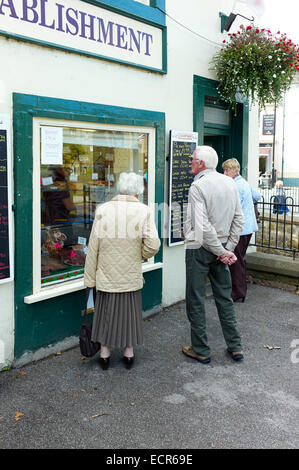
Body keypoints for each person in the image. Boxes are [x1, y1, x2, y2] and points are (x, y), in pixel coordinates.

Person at [84, 172, 160, 370]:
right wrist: (140, 255)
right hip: (130, 273)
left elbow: (93, 246)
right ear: (138, 191)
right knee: (129, 313)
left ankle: (105, 353)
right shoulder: (144, 211)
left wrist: (90, 279)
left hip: (106, 273)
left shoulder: (103, 209)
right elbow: (153, 244)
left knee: (105, 313)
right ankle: (128, 352)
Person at [182, 146, 244, 364]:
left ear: (201, 163)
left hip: (200, 248)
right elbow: (239, 218)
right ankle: (235, 347)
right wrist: (228, 249)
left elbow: (202, 225)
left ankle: (201, 349)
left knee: (196, 299)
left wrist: (221, 251)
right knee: (225, 298)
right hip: (223, 245)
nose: (190, 161)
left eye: (192, 159)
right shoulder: (229, 182)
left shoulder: (198, 186)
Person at [222, 158, 261, 302]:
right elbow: (258, 195)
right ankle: (240, 290)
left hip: (241, 229)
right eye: (224, 170)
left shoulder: (235, 185)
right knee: (239, 260)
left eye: (227, 170)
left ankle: (237, 293)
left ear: (235, 171)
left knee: (235, 262)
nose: (224, 173)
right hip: (248, 228)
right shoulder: (243, 182)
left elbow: (232, 208)